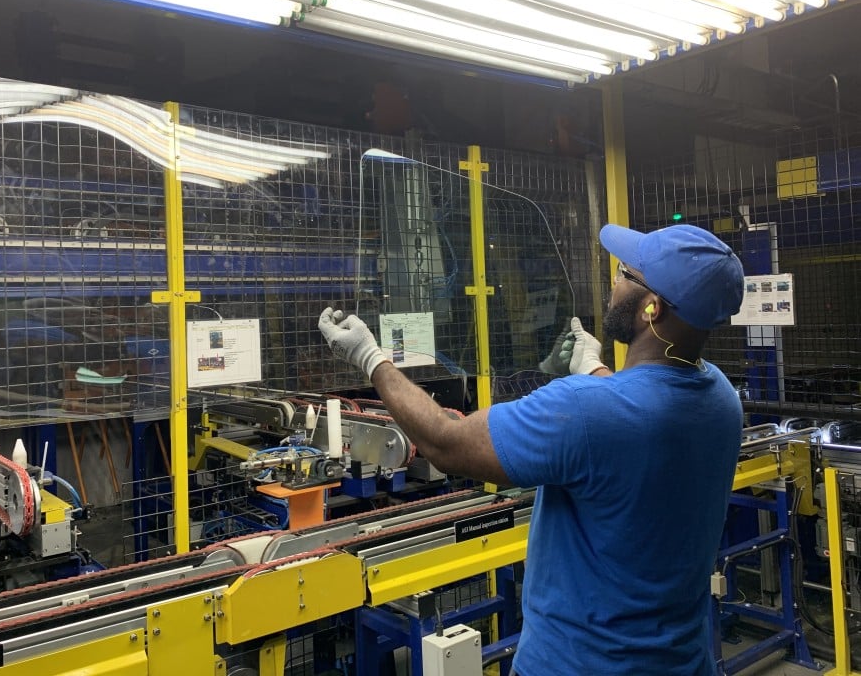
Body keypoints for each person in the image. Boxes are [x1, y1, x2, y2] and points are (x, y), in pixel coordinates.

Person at [318, 223, 745, 676]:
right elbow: (634, 411)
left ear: (651, 309)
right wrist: (593, 367)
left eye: (626, 273)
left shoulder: (583, 412)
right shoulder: (720, 398)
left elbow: (445, 442)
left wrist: (370, 357)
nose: (614, 281)